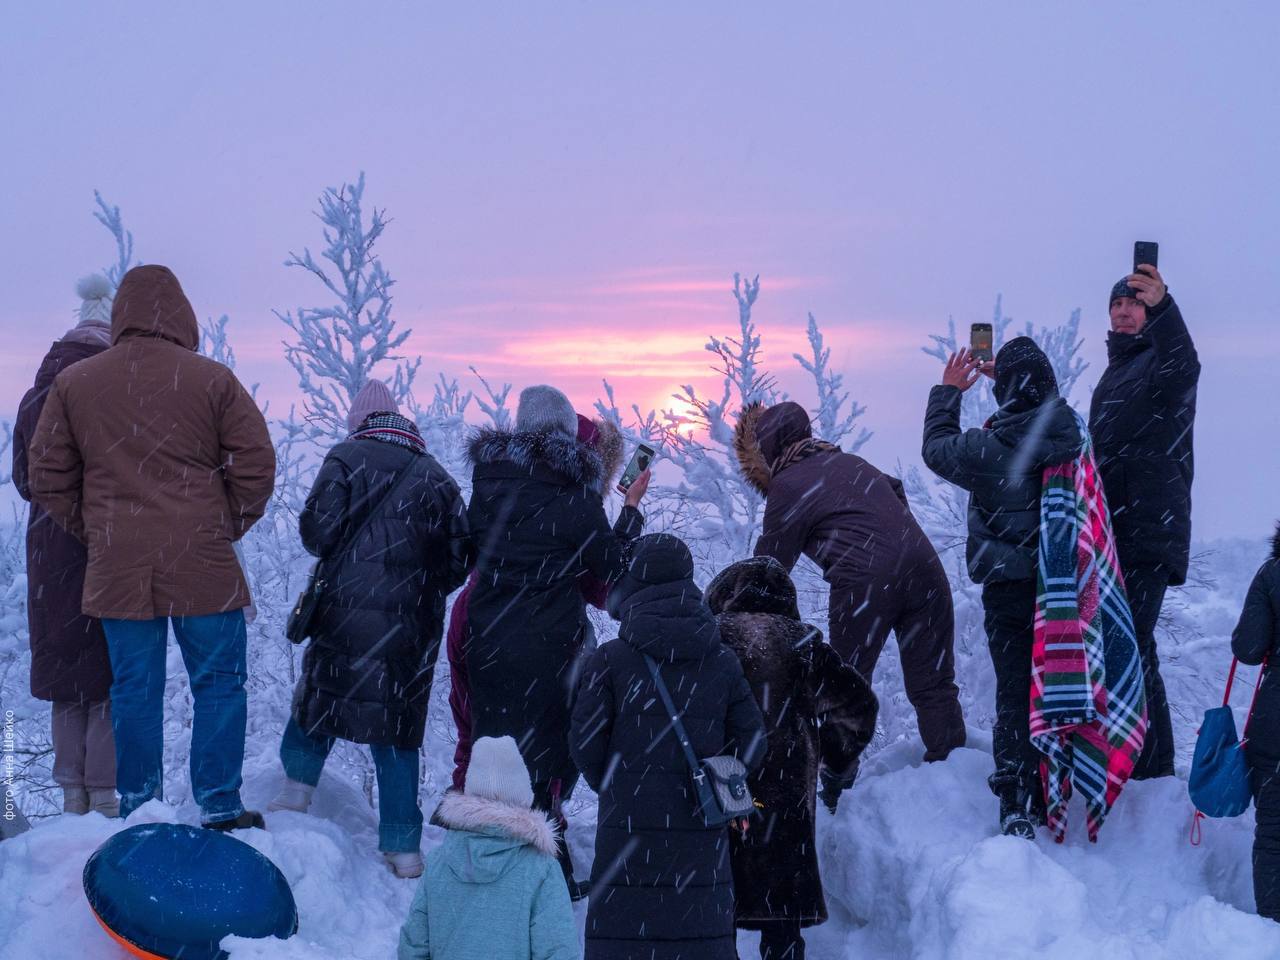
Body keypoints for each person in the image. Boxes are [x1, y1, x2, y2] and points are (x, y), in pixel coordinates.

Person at [28, 264, 275, 831]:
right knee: (218, 683)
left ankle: (141, 807)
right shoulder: (212, 379)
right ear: (182, 314)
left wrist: (95, 527)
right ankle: (219, 803)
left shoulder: (76, 383)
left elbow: (46, 474)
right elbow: (257, 465)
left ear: (121, 315)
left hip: (119, 562)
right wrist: (222, 523)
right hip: (202, 559)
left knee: (134, 690)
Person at [269, 380, 471, 878]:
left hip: (343, 616)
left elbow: (317, 533)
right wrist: (417, 592)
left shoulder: (345, 457)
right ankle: (403, 849)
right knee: (397, 729)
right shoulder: (439, 479)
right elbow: (460, 560)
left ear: (359, 422)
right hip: (409, 629)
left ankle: (294, 798)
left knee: (319, 702)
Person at [465, 386, 648, 894]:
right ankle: (550, 874)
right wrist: (630, 510)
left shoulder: (487, 483)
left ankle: (490, 870)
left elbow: (466, 551)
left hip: (486, 642)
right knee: (545, 764)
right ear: (567, 432)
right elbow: (612, 564)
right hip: (547, 647)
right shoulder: (573, 493)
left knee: (494, 756)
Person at [570, 533, 766, 960]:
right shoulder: (722, 661)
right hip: (702, 840)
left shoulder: (611, 660)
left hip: (627, 835)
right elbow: (753, 741)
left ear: (635, 580)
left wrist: (617, 782)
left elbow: (584, 741)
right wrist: (718, 778)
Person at [734, 401, 964, 762]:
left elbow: (769, 569)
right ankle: (952, 767)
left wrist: (735, 615)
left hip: (866, 584)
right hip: (926, 570)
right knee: (935, 684)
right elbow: (897, 492)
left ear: (768, 447)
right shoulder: (853, 463)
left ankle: (838, 792)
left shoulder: (787, 486)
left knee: (845, 689)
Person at [921, 338, 1084, 838]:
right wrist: (1020, 385)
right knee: (1061, 686)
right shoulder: (1073, 434)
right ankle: (1067, 783)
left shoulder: (987, 448)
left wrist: (948, 393)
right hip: (1065, 590)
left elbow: (935, 450)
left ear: (1005, 389)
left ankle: (1017, 799)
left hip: (1009, 589)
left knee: (1015, 692)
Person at [705, 557, 879, 960]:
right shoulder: (803, 643)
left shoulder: (710, 637)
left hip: (720, 790)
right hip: (784, 800)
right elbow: (860, 708)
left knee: (715, 917)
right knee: (782, 923)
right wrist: (833, 760)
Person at [446, 414, 625, 795]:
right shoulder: (573, 509)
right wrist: (628, 520)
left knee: (477, 726)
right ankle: (542, 814)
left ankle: (470, 804)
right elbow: (607, 585)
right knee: (551, 740)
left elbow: (464, 552)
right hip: (544, 637)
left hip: (478, 620)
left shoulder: (495, 480)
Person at [1089, 263, 1199, 780]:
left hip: (1148, 530)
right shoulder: (1113, 376)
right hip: (1116, 534)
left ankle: (1152, 772)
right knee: (1134, 647)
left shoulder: (1158, 363)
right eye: (1118, 304)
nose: (1125, 311)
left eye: (1135, 303)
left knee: (1128, 645)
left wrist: (1166, 310)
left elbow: (1184, 365)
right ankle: (1147, 769)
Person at [12, 275, 117, 816]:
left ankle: (70, 792)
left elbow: (25, 481)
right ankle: (103, 796)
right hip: (102, 540)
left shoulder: (36, 397)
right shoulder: (112, 391)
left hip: (47, 547)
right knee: (105, 676)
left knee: (63, 674)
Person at [397, 735, 579, 960]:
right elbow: (560, 951)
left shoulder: (438, 862)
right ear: (524, 797)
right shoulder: (542, 869)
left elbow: (413, 947)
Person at [1231, 525, 1280, 923]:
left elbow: (1248, 648)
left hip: (1275, 721)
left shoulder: (1273, 573)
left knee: (1274, 834)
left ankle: (1271, 927)